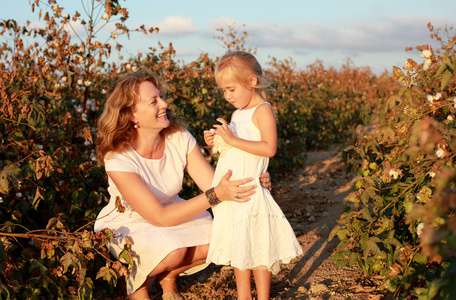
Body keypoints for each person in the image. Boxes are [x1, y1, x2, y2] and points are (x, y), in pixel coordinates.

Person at [93, 70, 272, 300]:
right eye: (153, 101)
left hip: (173, 210)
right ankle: (136, 282)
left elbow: (213, 184)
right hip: (129, 221)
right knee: (174, 251)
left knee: (223, 238)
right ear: (132, 116)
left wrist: (254, 179)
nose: (164, 103)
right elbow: (160, 217)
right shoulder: (118, 157)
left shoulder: (178, 137)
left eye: (161, 97)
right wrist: (216, 194)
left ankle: (166, 277)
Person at [204, 51, 303, 300]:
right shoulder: (237, 114)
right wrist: (215, 142)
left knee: (259, 246)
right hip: (234, 190)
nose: (227, 97)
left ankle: (263, 296)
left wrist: (233, 139)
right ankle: (243, 296)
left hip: (251, 189)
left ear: (251, 81)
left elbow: (269, 147)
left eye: (231, 89)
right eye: (223, 91)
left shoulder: (263, 110)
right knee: (241, 245)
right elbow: (234, 150)